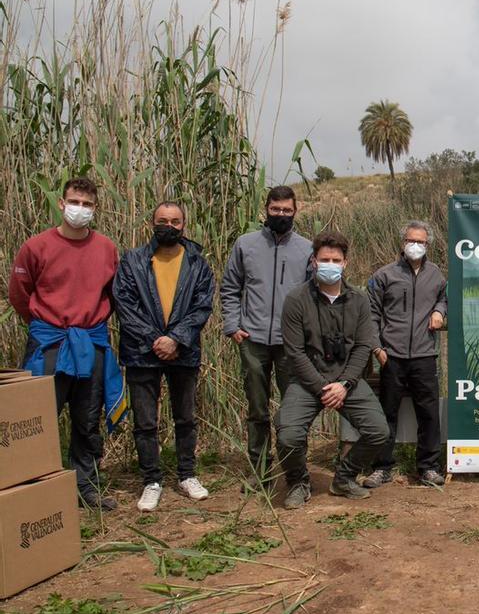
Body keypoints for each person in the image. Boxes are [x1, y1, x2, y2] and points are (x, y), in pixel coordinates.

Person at [10, 177, 124, 511]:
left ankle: (85, 487)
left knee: (87, 418)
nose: (80, 209)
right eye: (75, 202)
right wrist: (42, 324)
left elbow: (112, 294)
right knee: (38, 417)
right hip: (50, 342)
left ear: (95, 209)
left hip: (91, 341)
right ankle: (31, 489)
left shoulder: (107, 249)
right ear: (61, 204)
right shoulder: (36, 247)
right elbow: (20, 294)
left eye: (87, 205)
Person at [113, 201, 215, 512]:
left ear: (184, 225)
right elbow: (124, 304)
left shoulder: (198, 263)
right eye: (162, 220)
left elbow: (202, 306)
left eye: (174, 221)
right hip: (142, 353)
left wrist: (176, 339)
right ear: (151, 223)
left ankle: (187, 474)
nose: (168, 226)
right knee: (145, 421)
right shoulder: (132, 261)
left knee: (185, 417)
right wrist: (155, 340)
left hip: (183, 352)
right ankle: (151, 480)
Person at [275, 231, 389, 508]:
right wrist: (322, 388)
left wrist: (345, 385)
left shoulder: (359, 300)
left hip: (346, 381)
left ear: (345, 263)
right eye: (324, 259)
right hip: (307, 380)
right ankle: (299, 482)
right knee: (288, 435)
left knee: (379, 431)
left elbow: (363, 347)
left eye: (335, 259)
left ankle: (344, 477)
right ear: (314, 261)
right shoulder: (296, 299)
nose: (330, 264)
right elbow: (295, 352)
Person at [220, 186, 312, 483]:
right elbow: (231, 287)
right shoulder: (245, 245)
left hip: (291, 344)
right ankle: (260, 472)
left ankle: (294, 470)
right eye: (276, 209)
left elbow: (314, 297)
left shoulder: (307, 249)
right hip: (253, 340)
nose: (281, 215)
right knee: (257, 409)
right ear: (266, 209)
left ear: (295, 211)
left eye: (287, 210)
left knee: (293, 410)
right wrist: (233, 325)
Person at [364, 220, 448, 489]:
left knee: (429, 413)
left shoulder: (436, 275)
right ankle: (382, 467)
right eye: (411, 240)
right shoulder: (384, 276)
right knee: (386, 413)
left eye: (421, 242)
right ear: (403, 243)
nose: (416, 246)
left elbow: (444, 298)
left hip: (424, 355)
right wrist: (377, 348)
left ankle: (428, 467)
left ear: (428, 245)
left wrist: (440, 311)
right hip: (392, 356)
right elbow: (371, 315)